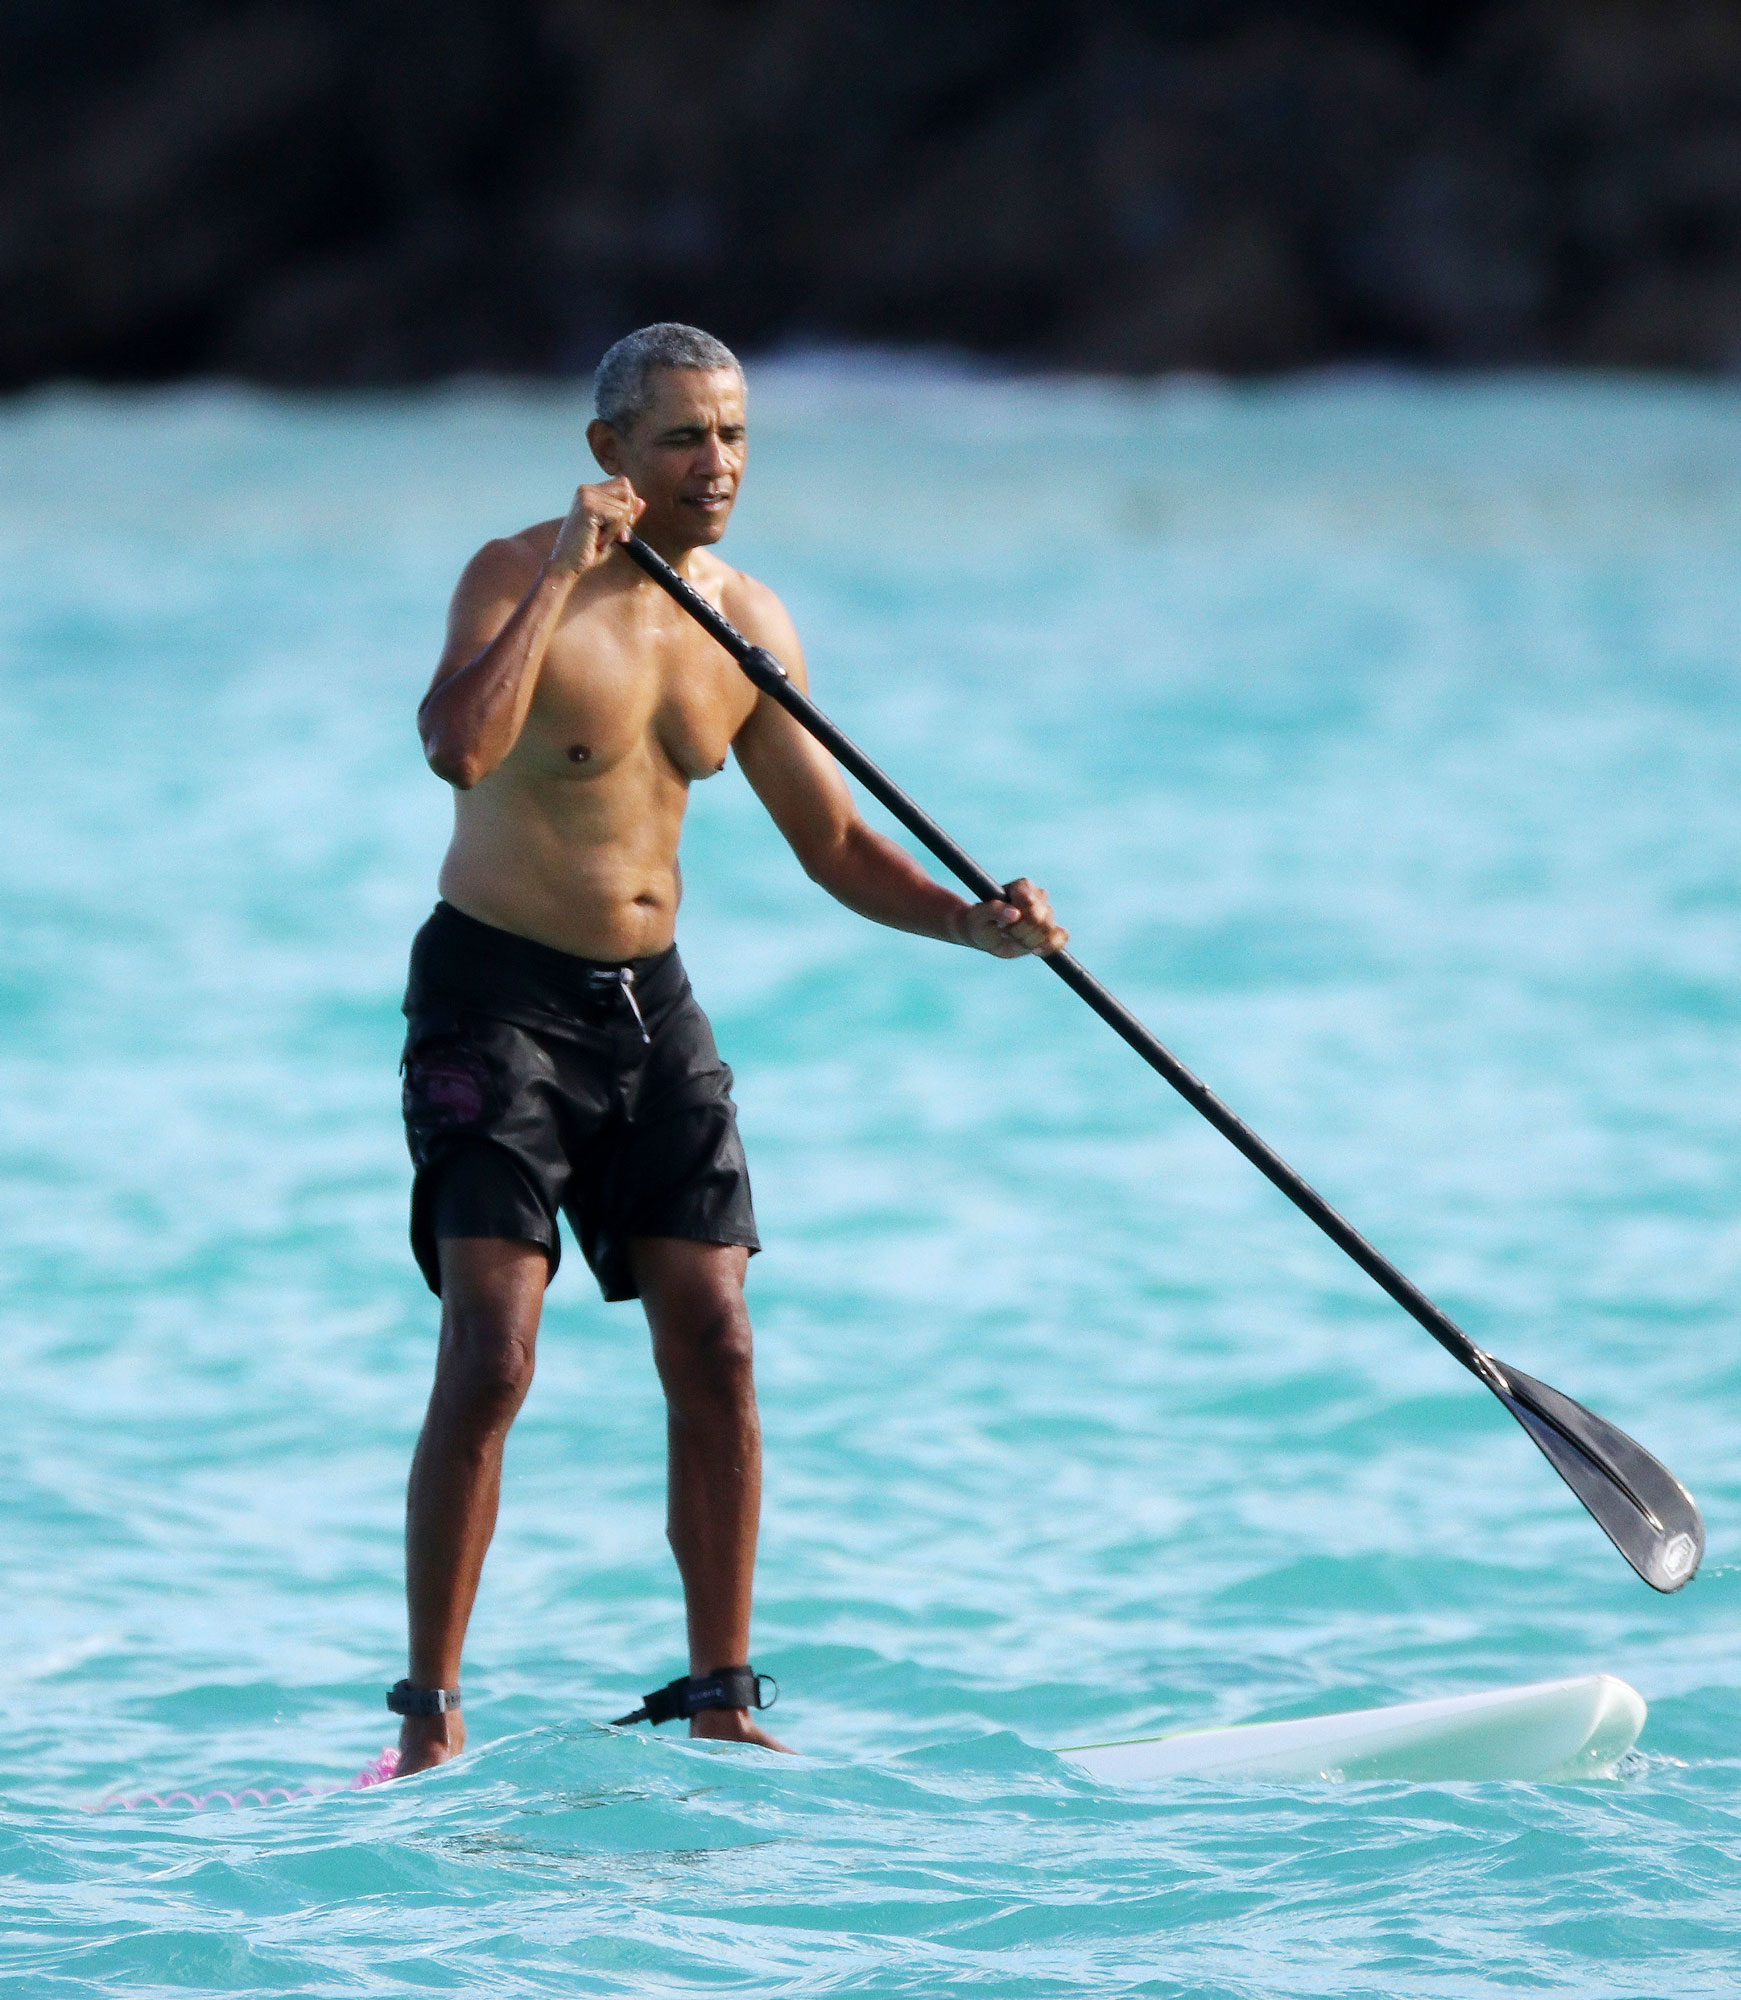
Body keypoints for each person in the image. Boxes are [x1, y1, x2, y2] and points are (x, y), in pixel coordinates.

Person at [391, 323, 1067, 1775]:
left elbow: (829, 844)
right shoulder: (514, 576)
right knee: (493, 1352)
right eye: (686, 439)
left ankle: (719, 1695)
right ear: (609, 456)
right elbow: (456, 744)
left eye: (737, 436)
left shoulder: (744, 622)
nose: (718, 466)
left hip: (650, 1010)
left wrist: (970, 926)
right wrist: (565, 577)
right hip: (493, 1002)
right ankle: (430, 1717)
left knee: (719, 1343)